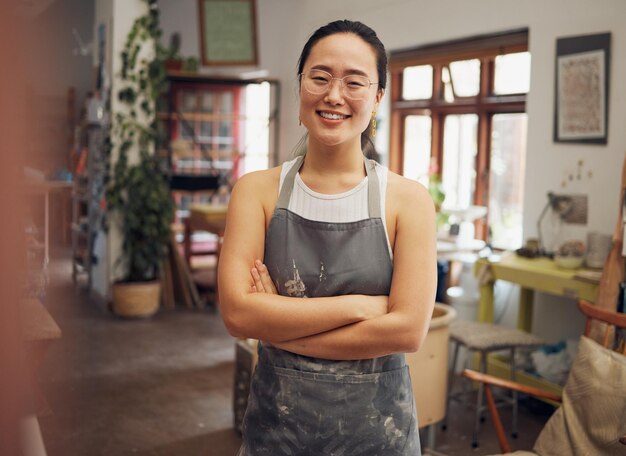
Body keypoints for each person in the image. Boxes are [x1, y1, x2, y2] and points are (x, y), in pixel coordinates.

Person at [218, 19, 437, 455]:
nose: (333, 95)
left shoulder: (408, 201)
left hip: (379, 437)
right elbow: (238, 316)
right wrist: (360, 308)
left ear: (376, 99)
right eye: (320, 77)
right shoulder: (256, 193)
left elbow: (409, 331)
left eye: (354, 82)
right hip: (277, 434)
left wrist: (278, 322)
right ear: (301, 88)